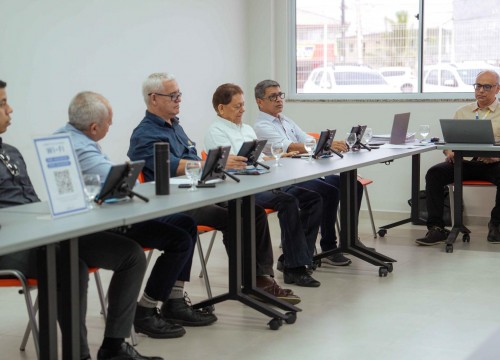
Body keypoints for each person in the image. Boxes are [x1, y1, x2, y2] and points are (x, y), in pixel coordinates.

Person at [0, 81, 162, 360]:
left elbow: (32, 202)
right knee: (70, 266)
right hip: (11, 246)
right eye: (3, 103)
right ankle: (79, 355)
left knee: (130, 254)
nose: (10, 109)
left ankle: (113, 347)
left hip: (44, 235)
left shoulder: (12, 151)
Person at [54, 91, 217, 339]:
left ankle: (173, 302)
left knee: (184, 224)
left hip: (112, 212)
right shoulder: (76, 146)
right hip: (102, 222)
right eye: (109, 121)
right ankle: (146, 311)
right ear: (94, 126)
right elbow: (116, 179)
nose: (111, 126)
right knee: (177, 238)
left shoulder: (78, 138)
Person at [128, 72, 300, 303]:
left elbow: (189, 156)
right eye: (173, 95)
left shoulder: (175, 127)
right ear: (154, 98)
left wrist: (209, 166)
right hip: (173, 202)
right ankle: (247, 282)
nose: (179, 99)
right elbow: (166, 166)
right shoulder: (145, 133)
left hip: (198, 193)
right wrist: (210, 163)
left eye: (179, 95)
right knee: (235, 218)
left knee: (253, 212)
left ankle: (260, 278)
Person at [204, 83, 322, 287]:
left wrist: (275, 157)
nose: (242, 110)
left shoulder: (247, 129)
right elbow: (235, 164)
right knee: (287, 201)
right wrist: (260, 161)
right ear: (221, 108)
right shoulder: (216, 132)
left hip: (257, 182)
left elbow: (254, 159)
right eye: (236, 106)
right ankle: (293, 268)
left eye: (243, 105)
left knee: (310, 198)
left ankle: (296, 260)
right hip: (237, 188)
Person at [253, 79, 364, 265]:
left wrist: (324, 144)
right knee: (330, 191)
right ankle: (328, 246)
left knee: (353, 185)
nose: (279, 100)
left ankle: (349, 239)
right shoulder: (261, 126)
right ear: (259, 101)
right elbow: (289, 146)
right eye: (273, 97)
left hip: (304, 170)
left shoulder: (285, 120)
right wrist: (323, 144)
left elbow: (305, 139)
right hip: (286, 178)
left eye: (280, 95)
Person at [416, 70, 500, 245]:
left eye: (487, 86)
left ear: (497, 89)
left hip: (493, 164)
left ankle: (496, 225)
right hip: (464, 163)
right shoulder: (462, 112)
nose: (481, 90)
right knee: (435, 173)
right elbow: (448, 143)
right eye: (478, 86)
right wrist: (449, 152)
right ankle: (437, 228)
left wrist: (496, 157)